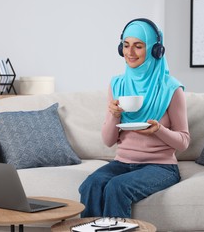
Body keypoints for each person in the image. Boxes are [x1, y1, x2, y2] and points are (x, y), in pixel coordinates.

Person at [78, 18, 190, 218]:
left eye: (138, 46)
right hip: (122, 162)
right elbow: (108, 141)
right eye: (126, 46)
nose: (130, 53)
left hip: (161, 167)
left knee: (117, 187)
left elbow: (183, 142)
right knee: (91, 185)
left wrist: (159, 130)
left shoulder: (171, 89)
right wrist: (114, 116)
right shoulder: (117, 85)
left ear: (156, 50)